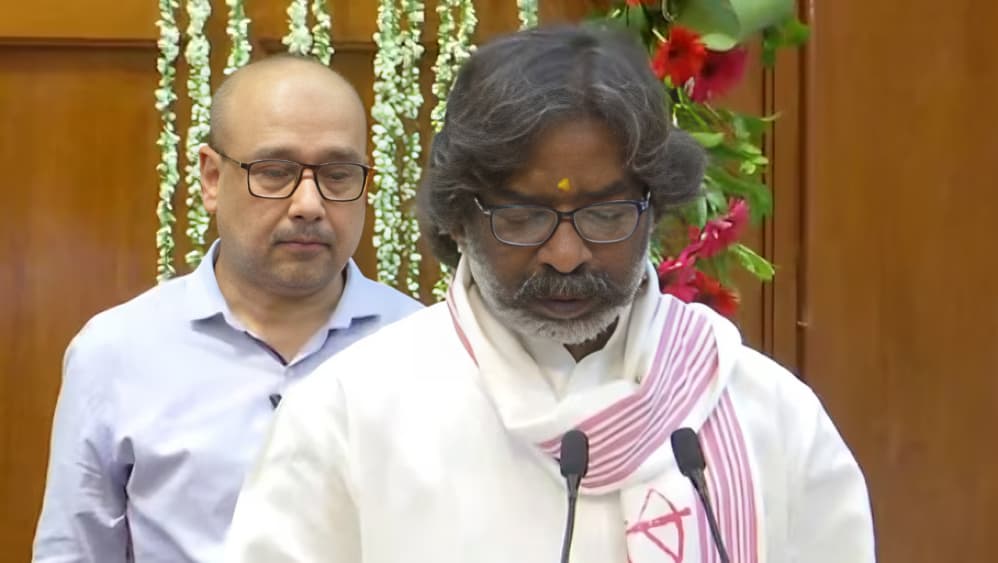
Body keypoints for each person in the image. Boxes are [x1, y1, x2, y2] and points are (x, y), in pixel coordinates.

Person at [224, 25, 875, 563]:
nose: (567, 254)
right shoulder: (347, 415)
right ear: (459, 216)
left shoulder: (765, 412)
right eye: (523, 216)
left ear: (655, 208)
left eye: (606, 214)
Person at [32, 54, 423, 563]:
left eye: (339, 174)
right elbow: (75, 551)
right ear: (212, 178)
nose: (309, 203)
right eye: (275, 171)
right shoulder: (116, 352)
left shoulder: (424, 347)